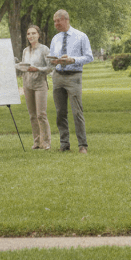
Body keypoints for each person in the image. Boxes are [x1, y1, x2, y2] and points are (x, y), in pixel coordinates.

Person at [49, 9, 94, 153]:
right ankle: (64, 144)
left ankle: (82, 145)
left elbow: (89, 57)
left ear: (66, 20)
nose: (56, 24)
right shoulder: (55, 38)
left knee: (77, 112)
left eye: (58, 21)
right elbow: (51, 57)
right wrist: (54, 61)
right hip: (58, 76)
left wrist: (72, 59)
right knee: (60, 112)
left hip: (74, 76)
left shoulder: (81, 36)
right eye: (54, 21)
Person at [15, 25, 54, 150]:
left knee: (41, 114)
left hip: (40, 84)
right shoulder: (25, 50)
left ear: (38, 35)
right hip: (27, 84)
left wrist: (37, 68)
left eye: (33, 33)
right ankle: (37, 142)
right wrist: (19, 66)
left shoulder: (44, 49)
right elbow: (24, 67)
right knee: (32, 115)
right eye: (28, 34)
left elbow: (50, 68)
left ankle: (46, 142)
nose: (30, 36)